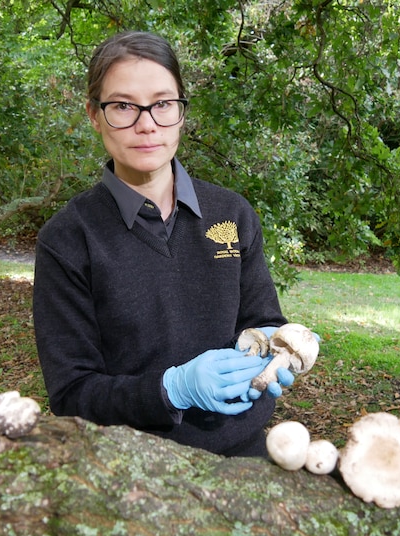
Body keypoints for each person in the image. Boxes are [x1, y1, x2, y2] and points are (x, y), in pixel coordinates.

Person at [32, 30, 292, 457]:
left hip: (247, 455)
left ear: (181, 111)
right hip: (132, 464)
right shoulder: (67, 239)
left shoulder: (232, 214)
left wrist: (273, 342)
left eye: (162, 104)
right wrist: (172, 389)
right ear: (94, 115)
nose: (147, 123)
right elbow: (72, 393)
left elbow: (263, 316)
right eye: (122, 106)